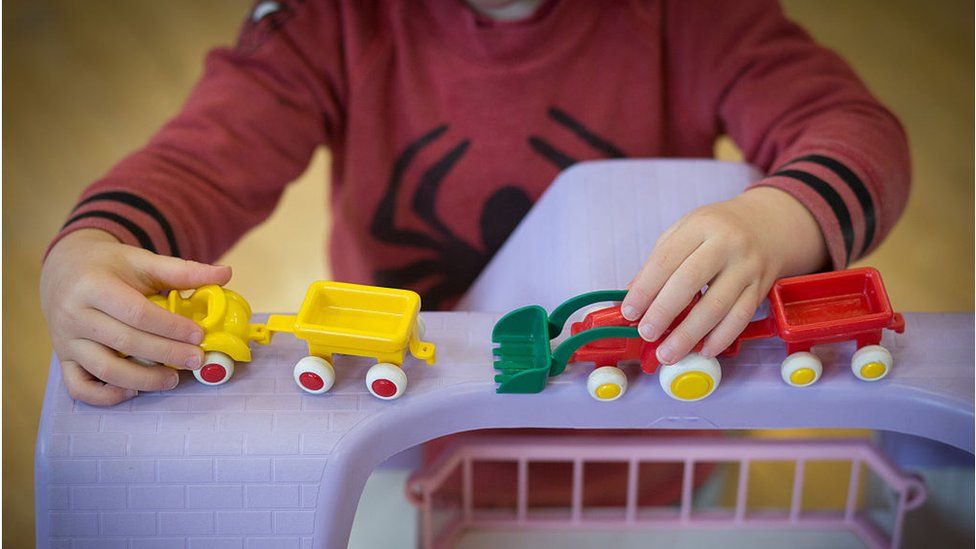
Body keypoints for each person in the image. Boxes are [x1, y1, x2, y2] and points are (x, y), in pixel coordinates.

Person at [40, 0, 910, 406]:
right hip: (410, 425)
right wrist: (99, 244)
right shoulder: (325, 23)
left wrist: (780, 219)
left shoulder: (696, 17)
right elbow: (201, 160)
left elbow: (853, 129)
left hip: (653, 435)